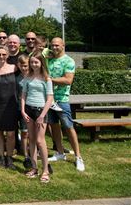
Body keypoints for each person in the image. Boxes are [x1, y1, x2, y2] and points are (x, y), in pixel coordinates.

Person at [47, 37, 85, 172]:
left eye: (57, 45)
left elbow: (68, 80)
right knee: (54, 126)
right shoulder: (49, 58)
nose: (54, 47)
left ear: (63, 45)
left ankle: (78, 157)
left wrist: (50, 80)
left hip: (62, 100)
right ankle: (60, 152)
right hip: (49, 100)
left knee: (68, 127)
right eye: (52, 45)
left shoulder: (69, 61)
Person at [21, 53, 53, 183]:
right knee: (32, 139)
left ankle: (45, 170)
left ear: (41, 63)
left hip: (41, 111)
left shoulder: (46, 79)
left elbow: (50, 98)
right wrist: (23, 110)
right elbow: (23, 94)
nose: (34, 65)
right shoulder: (27, 77)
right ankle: (34, 168)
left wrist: (42, 115)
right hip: (29, 109)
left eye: (36, 62)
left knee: (40, 141)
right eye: (32, 62)